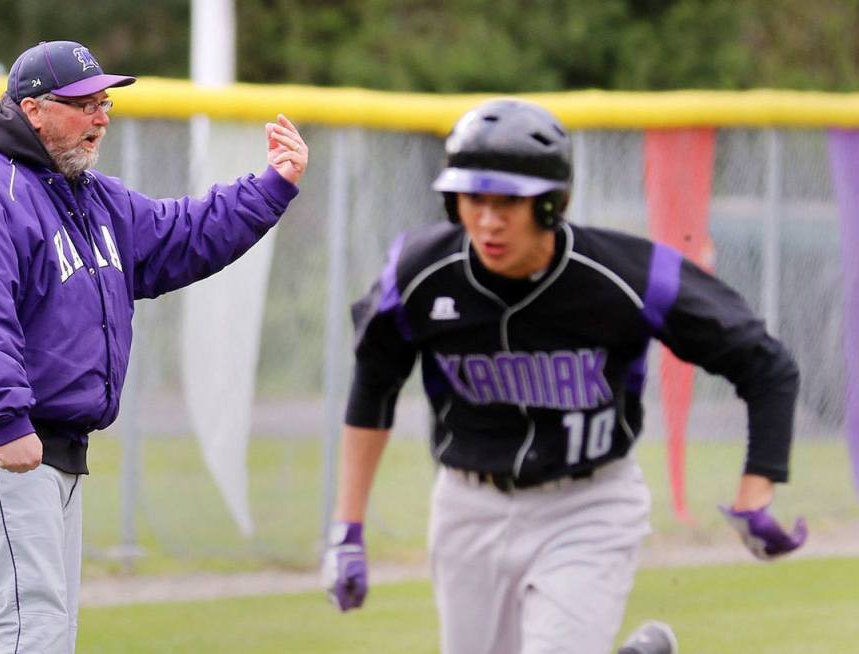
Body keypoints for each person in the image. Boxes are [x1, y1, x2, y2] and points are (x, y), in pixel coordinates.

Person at [321, 98, 806, 654]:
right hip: (467, 508)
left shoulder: (624, 276)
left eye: (511, 201)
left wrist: (756, 489)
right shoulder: (420, 275)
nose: (489, 220)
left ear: (554, 204)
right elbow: (373, 388)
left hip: (588, 508)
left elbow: (765, 363)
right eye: (474, 198)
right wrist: (347, 529)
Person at [0, 40, 308, 654]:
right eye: (83, 105)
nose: (101, 117)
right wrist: (8, 418)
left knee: (51, 631)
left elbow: (181, 235)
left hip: (54, 444)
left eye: (103, 103)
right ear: (34, 110)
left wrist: (270, 187)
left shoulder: (87, 197)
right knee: (29, 626)